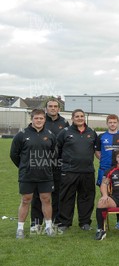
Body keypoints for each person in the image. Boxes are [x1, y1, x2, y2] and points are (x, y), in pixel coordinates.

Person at [10, 109, 57, 238]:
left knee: (46, 199)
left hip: (45, 175)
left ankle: (48, 227)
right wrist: (24, 166)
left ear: (44, 120)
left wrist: (46, 167)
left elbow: (54, 155)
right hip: (27, 175)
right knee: (26, 200)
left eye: (41, 118)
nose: (39, 121)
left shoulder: (50, 135)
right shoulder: (22, 135)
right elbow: (14, 154)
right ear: (31, 119)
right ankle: (20, 229)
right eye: (36, 118)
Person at [55, 109, 98, 231]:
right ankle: (64, 223)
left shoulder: (91, 132)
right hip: (69, 171)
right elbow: (57, 150)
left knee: (86, 198)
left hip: (87, 171)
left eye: (82, 116)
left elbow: (96, 150)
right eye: (77, 116)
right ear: (72, 118)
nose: (80, 118)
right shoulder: (65, 132)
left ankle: (85, 223)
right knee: (67, 197)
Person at [30, 98, 68, 232]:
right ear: (47, 109)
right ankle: (36, 222)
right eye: (50, 106)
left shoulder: (64, 122)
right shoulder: (41, 120)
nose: (53, 108)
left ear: (59, 108)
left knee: (57, 194)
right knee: (37, 195)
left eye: (55, 106)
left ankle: (55, 221)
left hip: (57, 164)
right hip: (40, 164)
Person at [95, 114, 119, 229]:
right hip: (104, 169)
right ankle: (103, 222)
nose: (112, 124)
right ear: (107, 123)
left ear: (118, 123)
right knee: (104, 194)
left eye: (114, 122)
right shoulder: (101, 137)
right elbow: (97, 152)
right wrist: (104, 160)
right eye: (110, 122)